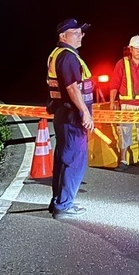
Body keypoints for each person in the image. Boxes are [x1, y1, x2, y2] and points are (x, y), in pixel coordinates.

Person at [46, 18, 95, 220]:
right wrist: (85, 112)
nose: (80, 36)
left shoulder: (57, 54)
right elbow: (72, 88)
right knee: (74, 161)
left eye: (81, 33)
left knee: (63, 159)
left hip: (64, 115)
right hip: (72, 116)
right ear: (63, 35)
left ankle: (58, 201)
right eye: (75, 32)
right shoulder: (67, 57)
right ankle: (64, 206)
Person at [109, 35, 139, 169]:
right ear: (130, 49)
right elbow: (114, 83)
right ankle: (123, 161)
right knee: (124, 131)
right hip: (126, 104)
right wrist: (112, 101)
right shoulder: (122, 63)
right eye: (137, 48)